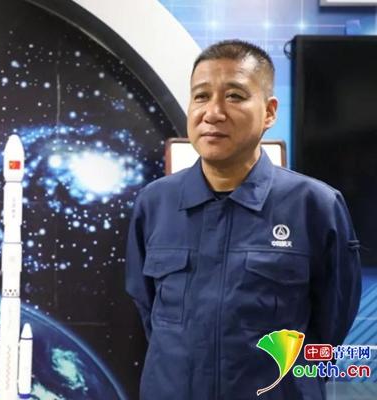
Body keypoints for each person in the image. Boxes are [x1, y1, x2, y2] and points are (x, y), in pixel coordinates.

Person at [125, 40, 361, 400]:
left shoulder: (315, 206)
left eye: (234, 96)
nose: (213, 112)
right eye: (201, 96)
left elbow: (331, 322)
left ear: (269, 112)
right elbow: (148, 310)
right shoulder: (155, 203)